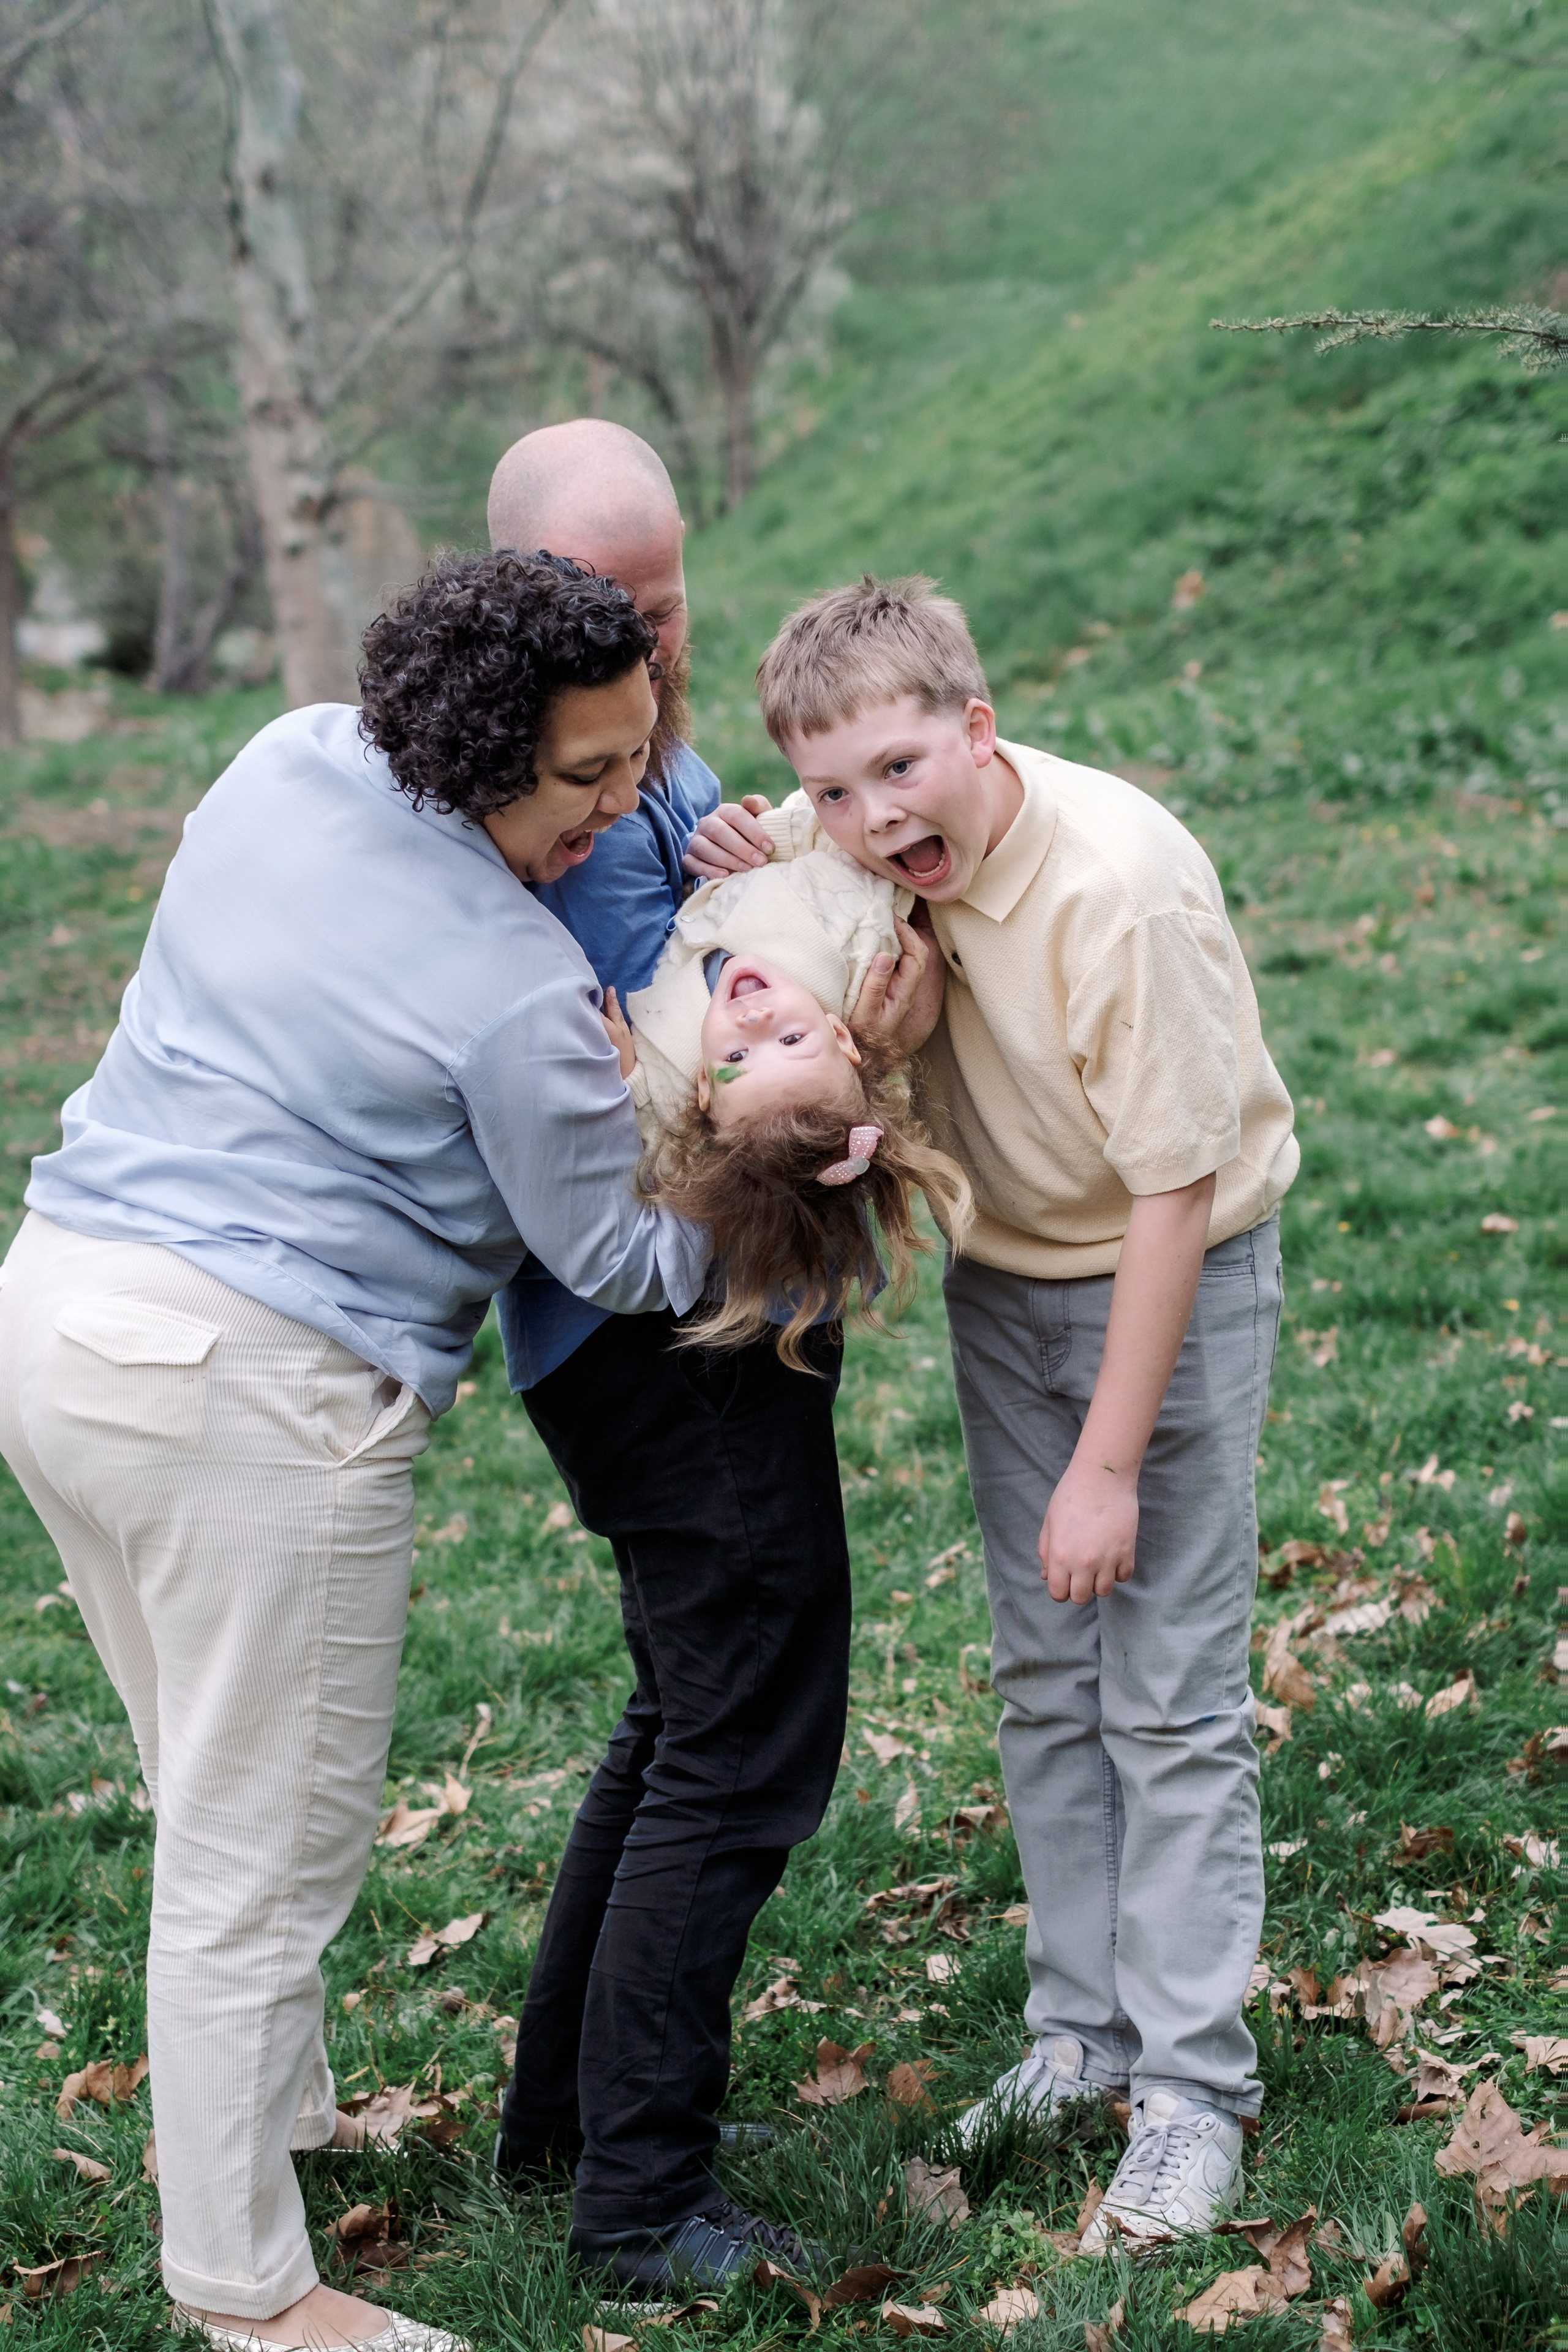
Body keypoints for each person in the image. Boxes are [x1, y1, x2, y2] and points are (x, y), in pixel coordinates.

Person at [0, 551, 703, 2352]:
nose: (619, 805)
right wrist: (782, 1177)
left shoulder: (287, 754)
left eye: (637, 757)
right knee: (261, 1855)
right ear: (476, 750)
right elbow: (621, 1256)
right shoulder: (514, 984)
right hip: (247, 1395)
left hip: (57, 1318)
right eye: (584, 777)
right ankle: (251, 2292)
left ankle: (282, 2122)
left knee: (209, 1788)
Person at [688, 573, 1298, 2249]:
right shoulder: (859, 848)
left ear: (976, 727)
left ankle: (1191, 2087)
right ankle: (1078, 2034)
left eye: (899, 769)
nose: (873, 820)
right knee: (1045, 1677)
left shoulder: (1118, 890)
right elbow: (772, 909)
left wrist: (1108, 1467)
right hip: (1007, 1281)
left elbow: (1175, 1193)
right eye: (830, 790)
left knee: (1165, 1697)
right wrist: (744, 852)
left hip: (1167, 1279)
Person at [483, 428, 934, 2293]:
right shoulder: (530, 803)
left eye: (667, 606)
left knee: (683, 1712)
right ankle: (642, 2203)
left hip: (707, 1315)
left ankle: (573, 2122)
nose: (653, 649)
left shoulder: (653, 768)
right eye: (614, 611)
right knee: (742, 1737)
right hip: (661, 1329)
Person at [606, 797, 973, 1365]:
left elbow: (655, 1136)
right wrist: (770, 834)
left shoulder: (671, 1066)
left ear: (704, 1088)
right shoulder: (852, 947)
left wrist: (626, 1071)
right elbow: (845, 844)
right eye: (793, 1040)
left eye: (736, 1057)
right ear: (842, 1035)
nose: (756, 1021)